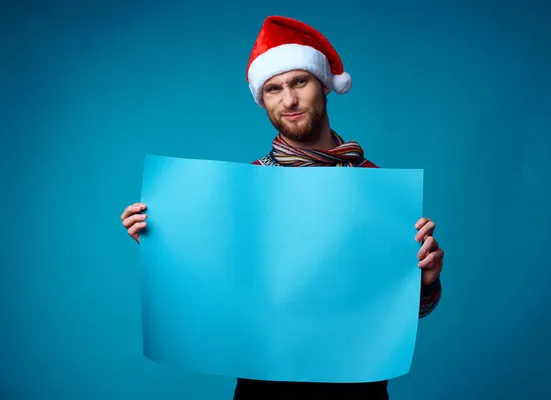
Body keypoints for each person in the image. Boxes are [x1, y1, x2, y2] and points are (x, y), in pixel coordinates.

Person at [120, 15, 444, 400]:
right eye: (273, 89)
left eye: (299, 82)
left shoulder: (377, 187)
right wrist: (163, 245)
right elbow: (219, 293)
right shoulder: (246, 189)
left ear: (323, 86)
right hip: (264, 388)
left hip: (357, 387)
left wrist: (426, 281)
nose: (288, 100)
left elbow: (397, 316)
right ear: (263, 100)